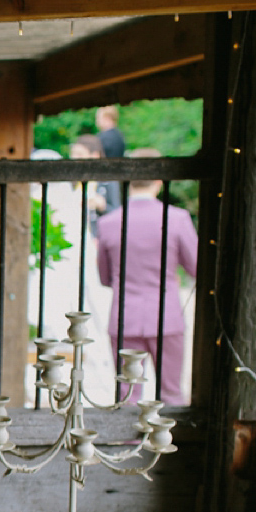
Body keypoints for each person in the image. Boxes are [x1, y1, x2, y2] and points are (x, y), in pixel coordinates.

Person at [96, 148, 198, 405]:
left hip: (124, 316)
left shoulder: (108, 222)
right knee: (171, 392)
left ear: (127, 180)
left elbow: (105, 277)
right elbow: (196, 267)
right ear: (159, 181)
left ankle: (130, 443)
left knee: (127, 394)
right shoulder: (177, 218)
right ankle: (170, 442)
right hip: (167, 316)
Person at [69, 134, 120, 237]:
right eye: (73, 154)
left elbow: (118, 214)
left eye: (79, 154)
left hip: (98, 237)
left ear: (95, 156)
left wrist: (102, 206)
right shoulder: (69, 180)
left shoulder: (108, 181)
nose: (74, 158)